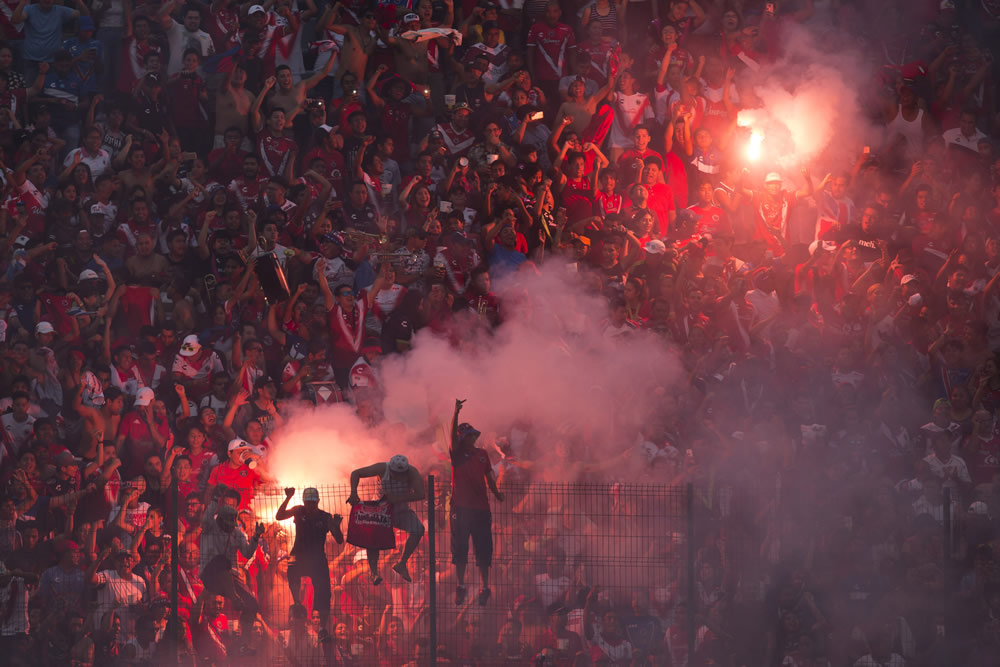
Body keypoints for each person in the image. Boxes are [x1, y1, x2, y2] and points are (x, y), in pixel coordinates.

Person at [449, 398, 503, 606]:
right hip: (460, 509)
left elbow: (489, 477)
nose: (471, 438)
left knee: (483, 549)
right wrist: (455, 414)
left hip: (481, 508)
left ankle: (485, 587)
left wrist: (497, 494)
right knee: (460, 549)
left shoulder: (482, 454)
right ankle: (460, 586)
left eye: (472, 435)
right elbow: (452, 436)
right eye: (468, 435)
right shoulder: (457, 454)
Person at [274, 486, 343, 637]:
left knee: (324, 593)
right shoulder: (299, 510)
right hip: (299, 556)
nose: (310, 506)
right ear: (304, 502)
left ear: (318, 501)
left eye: (313, 502)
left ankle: (323, 628)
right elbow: (279, 516)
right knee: (292, 569)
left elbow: (339, 539)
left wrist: (336, 526)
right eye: (307, 502)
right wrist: (288, 498)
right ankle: (297, 603)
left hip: (317, 558)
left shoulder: (325, 517)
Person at [347, 454, 425, 585]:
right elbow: (356, 473)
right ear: (391, 469)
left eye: (401, 474)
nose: (399, 477)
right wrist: (354, 493)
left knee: (418, 529)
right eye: (395, 473)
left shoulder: (412, 472)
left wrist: (399, 498)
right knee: (372, 539)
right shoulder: (382, 468)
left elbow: (421, 493)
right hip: (380, 511)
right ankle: (374, 572)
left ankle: (402, 563)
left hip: (400, 511)